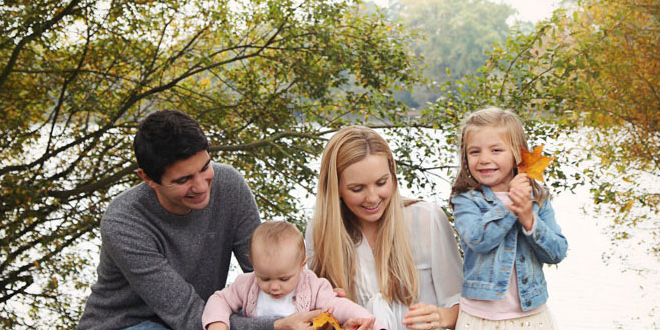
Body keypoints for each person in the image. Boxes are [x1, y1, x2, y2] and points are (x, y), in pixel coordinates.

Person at [78, 110, 318, 330]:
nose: (201, 186)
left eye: (205, 168)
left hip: (201, 318)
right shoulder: (123, 222)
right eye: (183, 180)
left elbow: (267, 268)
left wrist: (317, 299)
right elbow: (187, 315)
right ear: (148, 178)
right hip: (129, 324)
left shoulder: (229, 186)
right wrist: (278, 325)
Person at [306, 126, 463, 330]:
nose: (372, 198)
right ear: (336, 189)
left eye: (381, 183)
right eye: (357, 189)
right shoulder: (319, 232)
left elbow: (464, 304)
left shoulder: (426, 218)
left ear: (393, 175)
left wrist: (440, 317)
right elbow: (315, 314)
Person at [450, 107, 568, 329]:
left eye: (496, 150)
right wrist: (511, 209)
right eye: (474, 152)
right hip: (480, 317)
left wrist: (529, 220)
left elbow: (557, 253)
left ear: (516, 154)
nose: (484, 159)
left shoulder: (538, 197)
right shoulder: (466, 200)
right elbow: (478, 241)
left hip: (531, 316)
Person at [203, 220, 382, 330]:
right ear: (253, 264)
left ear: (302, 265)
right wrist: (217, 324)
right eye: (264, 278)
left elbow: (340, 305)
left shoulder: (312, 286)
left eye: (284, 279)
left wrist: (370, 323)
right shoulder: (246, 284)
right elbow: (220, 299)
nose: (274, 286)